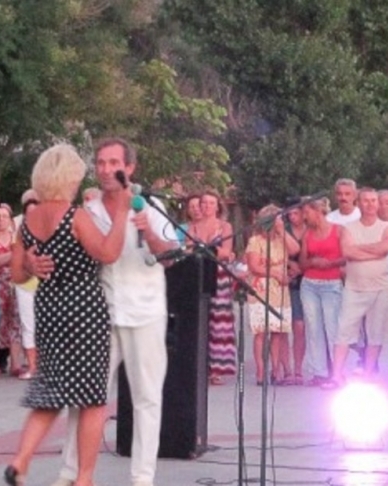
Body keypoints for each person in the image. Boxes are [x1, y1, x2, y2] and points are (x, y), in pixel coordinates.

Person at [51, 138, 176, 486]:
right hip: (101, 314)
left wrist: (149, 232)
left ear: (129, 168)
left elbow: (169, 255)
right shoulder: (87, 210)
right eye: (101, 163)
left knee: (146, 398)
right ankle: (70, 472)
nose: (106, 170)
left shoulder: (150, 205)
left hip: (145, 311)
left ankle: (142, 477)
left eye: (114, 163)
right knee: (86, 396)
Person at [5, 144, 130, 486]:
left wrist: (30, 264)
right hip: (83, 309)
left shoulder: (28, 220)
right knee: (92, 399)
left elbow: (16, 275)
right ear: (68, 178)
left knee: (50, 391)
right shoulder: (75, 216)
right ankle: (84, 478)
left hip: (49, 308)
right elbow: (108, 252)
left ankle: (20, 460)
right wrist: (122, 213)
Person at [330, 187, 388, 385]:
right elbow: (348, 252)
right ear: (358, 203)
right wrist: (373, 251)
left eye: (373, 200)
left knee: (376, 333)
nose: (370, 204)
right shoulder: (349, 228)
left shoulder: (386, 227)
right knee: (344, 330)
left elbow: (385, 248)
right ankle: (337, 375)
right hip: (354, 288)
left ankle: (368, 374)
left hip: (381, 287)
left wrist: (361, 249)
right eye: (365, 200)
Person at [245, 204, 300, 384]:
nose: (280, 221)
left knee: (277, 331)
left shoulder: (281, 239)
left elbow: (295, 250)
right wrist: (275, 273)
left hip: (279, 290)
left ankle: (276, 369)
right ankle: (261, 371)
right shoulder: (255, 241)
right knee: (261, 332)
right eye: (277, 219)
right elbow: (254, 266)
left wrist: (282, 231)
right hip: (261, 289)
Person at [186, 190, 236, 385]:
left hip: (218, 274)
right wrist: (209, 249)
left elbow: (226, 252)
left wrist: (205, 248)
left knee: (219, 321)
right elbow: (189, 249)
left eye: (211, 203)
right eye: (204, 203)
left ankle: (217, 368)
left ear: (217, 206)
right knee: (200, 319)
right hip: (199, 273)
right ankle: (200, 366)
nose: (206, 206)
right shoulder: (193, 227)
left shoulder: (224, 226)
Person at [299, 197, 345, 387]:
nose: (304, 216)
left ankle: (338, 371)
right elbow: (302, 263)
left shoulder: (338, 230)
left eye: (307, 212)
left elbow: (346, 256)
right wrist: (312, 262)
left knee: (333, 327)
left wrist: (330, 263)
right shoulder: (307, 234)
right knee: (313, 327)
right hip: (310, 283)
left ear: (318, 211)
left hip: (331, 282)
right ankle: (319, 371)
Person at [0, 203, 25, 377]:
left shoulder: (16, 238)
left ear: (11, 220)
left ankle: (15, 363)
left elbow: (23, 259)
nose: (1, 219)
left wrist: (6, 257)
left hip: (15, 282)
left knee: (15, 321)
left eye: (4, 216)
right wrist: (12, 255)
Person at [13, 190, 40, 380]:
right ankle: (32, 366)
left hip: (46, 285)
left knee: (47, 326)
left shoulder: (51, 231)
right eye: (28, 213)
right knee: (28, 325)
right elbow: (16, 260)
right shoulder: (20, 234)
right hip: (25, 284)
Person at [283, 203, 307, 385]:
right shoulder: (283, 230)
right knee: (283, 326)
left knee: (300, 326)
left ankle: (298, 368)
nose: (292, 217)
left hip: (306, 280)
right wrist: (289, 264)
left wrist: (301, 268)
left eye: (296, 213)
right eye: (289, 214)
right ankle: (286, 370)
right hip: (285, 280)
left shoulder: (310, 230)